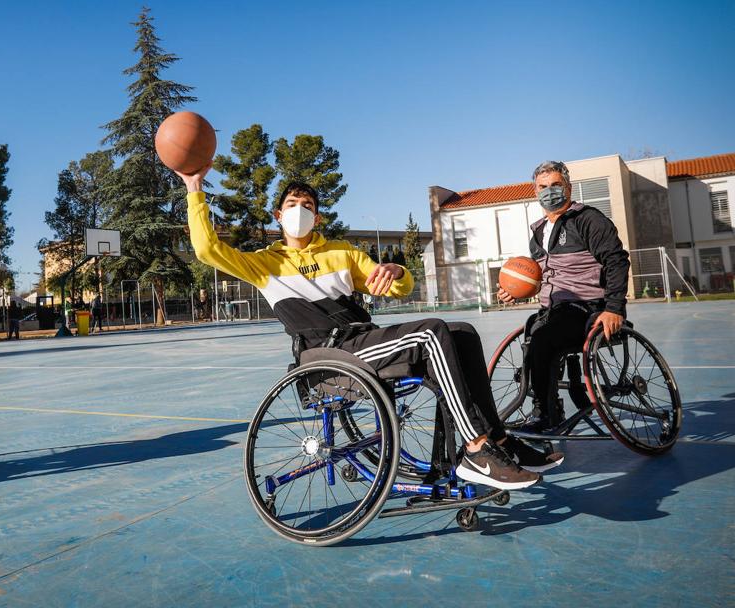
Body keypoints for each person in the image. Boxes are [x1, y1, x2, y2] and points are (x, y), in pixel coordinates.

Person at [177, 165, 562, 491]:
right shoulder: (264, 263)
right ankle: (477, 448)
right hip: (327, 357)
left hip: (361, 341)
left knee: (461, 332)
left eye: (307, 206)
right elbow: (207, 250)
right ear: (278, 216)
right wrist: (194, 187)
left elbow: (396, 285)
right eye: (292, 205)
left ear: (319, 217)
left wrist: (397, 271)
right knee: (430, 331)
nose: (300, 211)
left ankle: (497, 437)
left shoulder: (342, 253)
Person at [497, 160, 630, 430]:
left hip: (588, 307)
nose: (549, 191)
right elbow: (543, 279)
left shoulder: (588, 219)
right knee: (533, 331)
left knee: (543, 339)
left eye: (556, 185)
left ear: (568, 187)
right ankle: (549, 404)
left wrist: (614, 307)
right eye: (543, 187)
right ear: (535, 192)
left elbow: (617, 261)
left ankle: (542, 415)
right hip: (553, 310)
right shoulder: (538, 231)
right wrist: (516, 292)